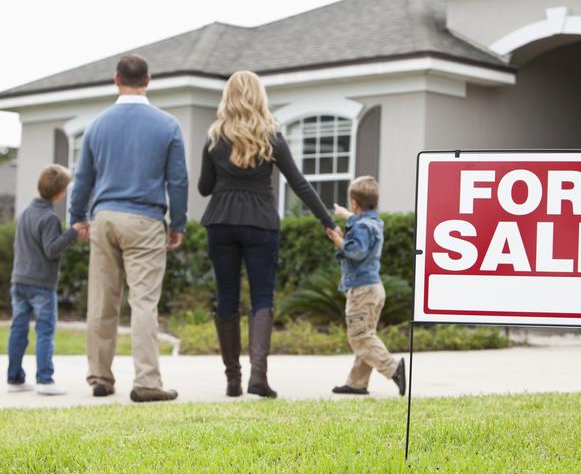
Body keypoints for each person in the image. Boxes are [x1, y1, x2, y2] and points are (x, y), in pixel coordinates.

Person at [198, 70, 338, 398]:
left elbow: (204, 188)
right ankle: (257, 377)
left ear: (228, 97)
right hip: (260, 221)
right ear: (259, 96)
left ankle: (233, 379)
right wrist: (327, 222)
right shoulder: (270, 136)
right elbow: (298, 182)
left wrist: (225, 178)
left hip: (220, 220)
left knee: (226, 297)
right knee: (262, 297)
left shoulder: (215, 136)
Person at [69, 54, 188, 402]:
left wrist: (77, 216)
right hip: (145, 219)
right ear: (148, 80)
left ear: (116, 79)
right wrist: (177, 223)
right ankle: (147, 381)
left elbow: (82, 179)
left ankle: (101, 378)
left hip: (104, 217)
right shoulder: (167, 125)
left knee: (102, 301)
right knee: (144, 302)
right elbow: (178, 180)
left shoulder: (97, 125)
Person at [7, 164, 86, 395]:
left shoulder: (25, 213)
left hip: (19, 280)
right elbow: (51, 249)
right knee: (44, 331)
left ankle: (14, 378)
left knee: (18, 330)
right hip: (41, 284)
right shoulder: (49, 218)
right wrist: (72, 232)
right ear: (60, 193)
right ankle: (44, 379)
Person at [326, 176, 406, 396]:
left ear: (354, 202)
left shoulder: (361, 226)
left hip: (362, 289)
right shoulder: (373, 222)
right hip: (373, 288)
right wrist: (347, 216)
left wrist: (338, 239)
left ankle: (393, 369)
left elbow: (356, 251)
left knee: (359, 337)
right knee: (366, 333)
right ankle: (357, 383)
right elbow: (362, 224)